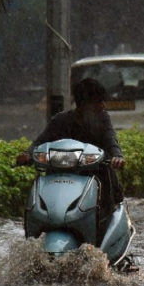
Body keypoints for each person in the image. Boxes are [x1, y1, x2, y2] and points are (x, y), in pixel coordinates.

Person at [16, 77, 126, 214]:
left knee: (107, 186)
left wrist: (117, 156)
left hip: (95, 172)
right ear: (84, 103)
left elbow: (111, 140)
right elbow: (41, 141)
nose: (103, 106)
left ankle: (106, 215)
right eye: (98, 102)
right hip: (62, 173)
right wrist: (27, 155)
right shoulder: (61, 120)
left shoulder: (102, 119)